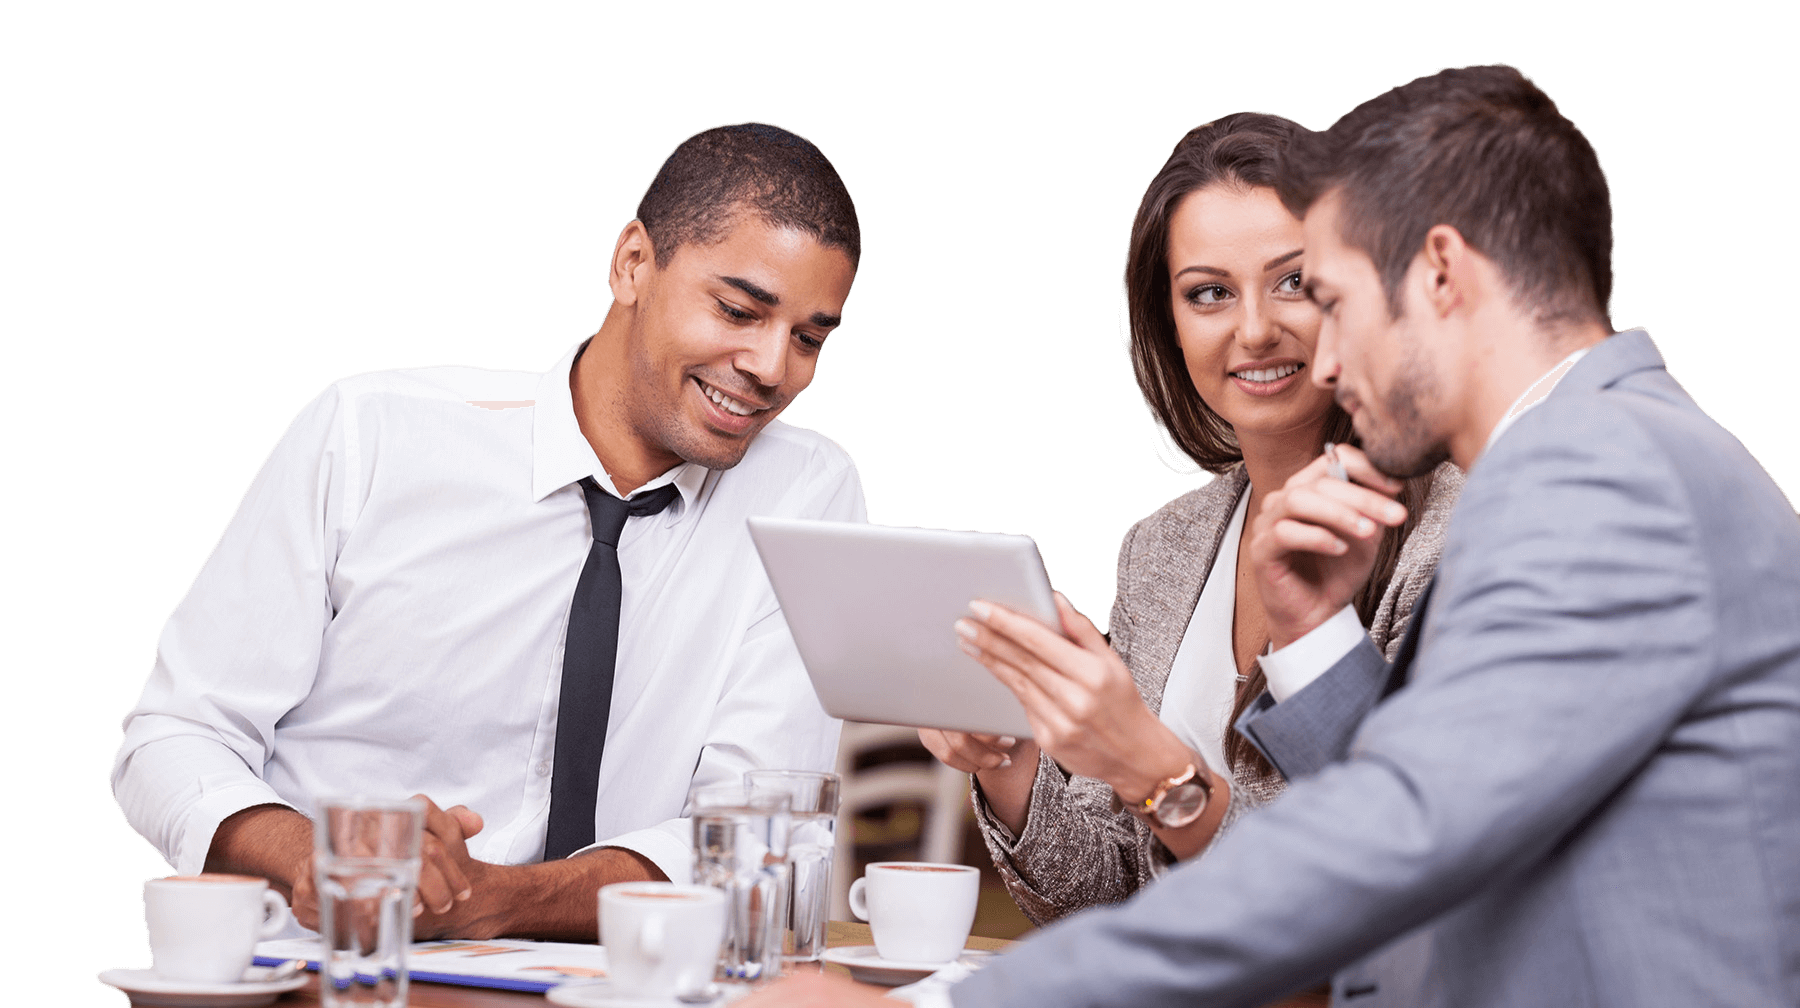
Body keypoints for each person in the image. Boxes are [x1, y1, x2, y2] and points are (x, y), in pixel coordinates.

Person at [747, 64, 1799, 1008]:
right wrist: (1315, 637)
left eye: (1325, 297)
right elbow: (1439, 798)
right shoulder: (1619, 450)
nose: (1320, 358)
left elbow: (1394, 837)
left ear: (1441, 274)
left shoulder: (1597, 472)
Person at [111, 122, 866, 941]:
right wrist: (316, 855)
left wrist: (495, 897)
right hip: (328, 978)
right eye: (737, 310)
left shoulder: (804, 492)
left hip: (620, 990)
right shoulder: (370, 435)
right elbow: (174, 737)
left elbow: (754, 827)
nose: (770, 367)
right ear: (633, 263)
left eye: (809, 339)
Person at [918, 113, 1461, 924]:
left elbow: (1385, 880)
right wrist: (1015, 764)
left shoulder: (1448, 536)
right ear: (1168, 324)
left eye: (1293, 282)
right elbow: (1110, 896)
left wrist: (1150, 764)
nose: (1253, 329)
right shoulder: (1160, 548)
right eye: (1209, 292)